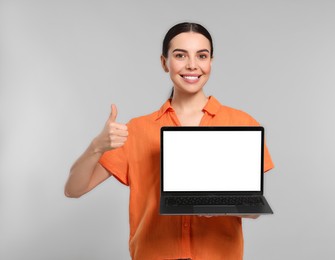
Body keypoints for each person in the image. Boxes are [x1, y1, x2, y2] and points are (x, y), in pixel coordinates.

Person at [65, 22, 274, 260]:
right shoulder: (137, 129)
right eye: (180, 55)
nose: (192, 65)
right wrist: (96, 146)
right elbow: (73, 189)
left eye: (202, 56)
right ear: (165, 63)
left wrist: (217, 206)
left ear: (211, 62)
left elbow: (253, 209)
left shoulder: (242, 123)